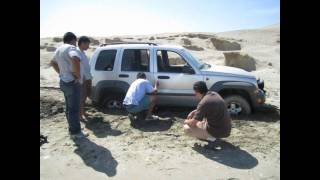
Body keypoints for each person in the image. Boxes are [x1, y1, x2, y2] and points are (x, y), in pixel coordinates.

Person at [50, 32, 88, 139]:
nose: (76, 43)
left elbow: (52, 63)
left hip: (64, 82)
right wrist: (76, 75)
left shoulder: (59, 49)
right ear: (73, 40)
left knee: (69, 108)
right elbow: (75, 58)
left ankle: (73, 129)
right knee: (74, 109)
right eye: (75, 41)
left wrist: (61, 73)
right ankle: (76, 133)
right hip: (72, 83)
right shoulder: (71, 48)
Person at [183, 81, 231, 149]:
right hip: (226, 129)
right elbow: (209, 107)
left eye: (195, 93)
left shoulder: (204, 102)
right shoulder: (214, 94)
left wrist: (185, 121)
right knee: (200, 121)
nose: (195, 95)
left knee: (187, 128)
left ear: (197, 91)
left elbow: (193, 124)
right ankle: (211, 137)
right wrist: (195, 111)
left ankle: (213, 140)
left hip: (219, 132)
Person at [77, 36, 92, 119]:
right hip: (82, 79)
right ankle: (80, 115)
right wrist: (82, 79)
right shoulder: (77, 53)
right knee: (81, 97)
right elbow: (78, 68)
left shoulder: (82, 53)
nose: (88, 47)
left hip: (86, 78)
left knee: (84, 96)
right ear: (82, 43)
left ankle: (82, 112)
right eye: (87, 44)